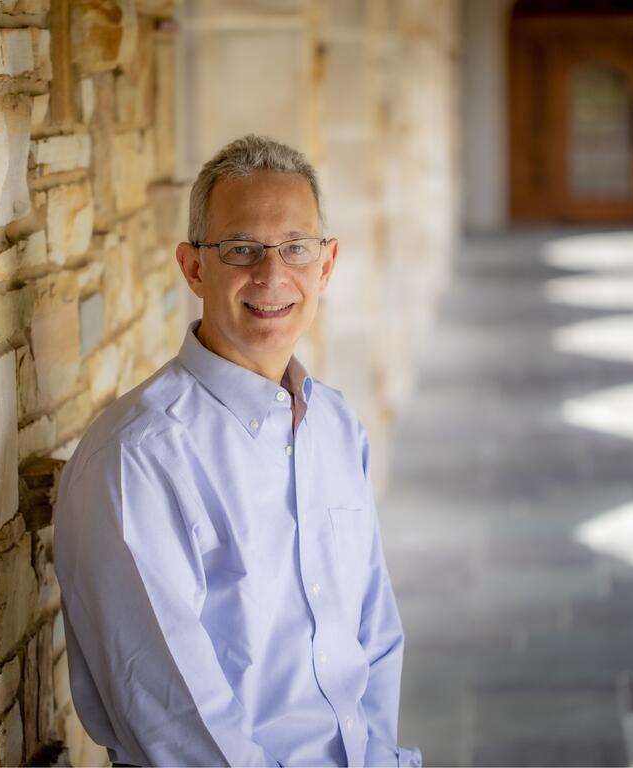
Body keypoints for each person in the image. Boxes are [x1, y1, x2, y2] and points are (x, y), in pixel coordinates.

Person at [54, 134, 420, 767]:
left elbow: (375, 639)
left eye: (295, 249)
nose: (272, 275)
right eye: (242, 248)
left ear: (326, 265)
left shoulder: (334, 426)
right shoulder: (136, 458)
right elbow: (172, 718)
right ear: (195, 267)